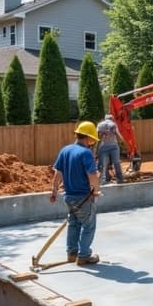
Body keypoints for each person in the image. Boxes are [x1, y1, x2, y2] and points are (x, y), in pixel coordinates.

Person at [50, 122, 102, 266]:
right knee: (88, 225)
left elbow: (58, 173)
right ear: (88, 137)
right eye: (92, 139)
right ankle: (84, 256)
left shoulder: (65, 150)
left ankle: (72, 254)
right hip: (83, 198)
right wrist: (96, 190)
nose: (92, 143)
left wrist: (54, 189)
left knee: (74, 224)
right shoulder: (86, 153)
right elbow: (92, 175)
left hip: (69, 197)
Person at [96, 113, 125, 184]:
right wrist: (123, 141)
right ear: (112, 118)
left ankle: (106, 178)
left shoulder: (99, 125)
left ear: (105, 118)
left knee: (103, 164)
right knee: (116, 162)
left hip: (104, 146)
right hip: (114, 146)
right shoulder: (113, 124)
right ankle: (120, 179)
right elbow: (118, 135)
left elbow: (97, 136)